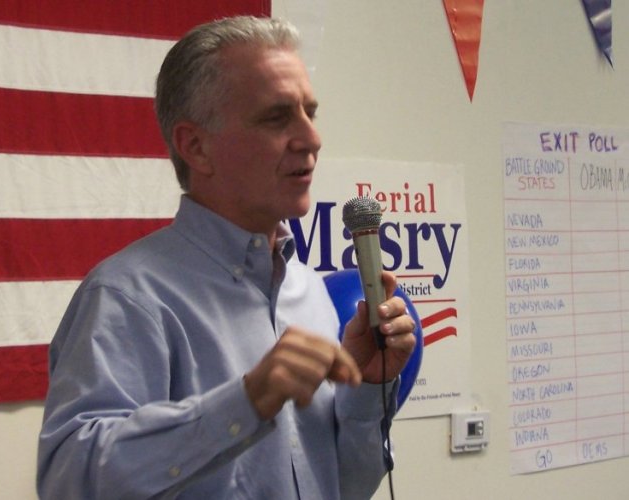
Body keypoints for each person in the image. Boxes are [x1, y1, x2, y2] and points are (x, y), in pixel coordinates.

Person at [37, 15, 416, 500]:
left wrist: (366, 390)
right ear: (196, 147)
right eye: (277, 117)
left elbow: (345, 487)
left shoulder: (308, 291)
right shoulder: (127, 297)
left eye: (310, 113)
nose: (312, 139)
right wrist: (245, 402)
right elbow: (68, 482)